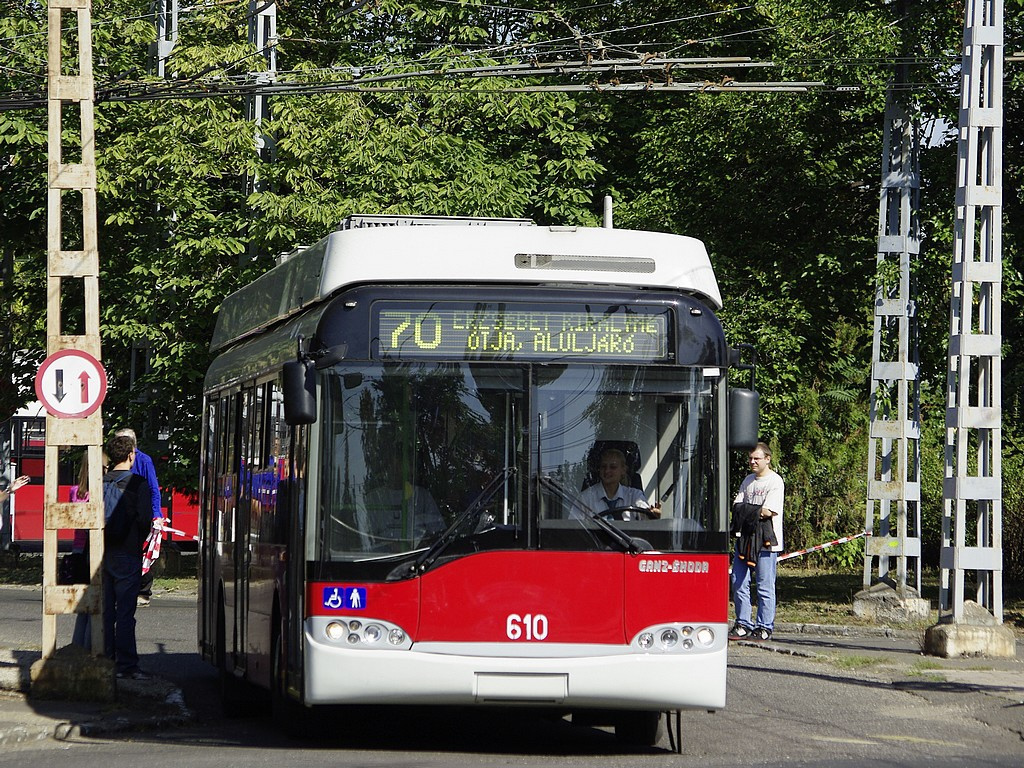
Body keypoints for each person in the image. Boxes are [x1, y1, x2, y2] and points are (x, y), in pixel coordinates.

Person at [102, 434, 154, 680]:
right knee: (125, 612)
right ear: (131, 455)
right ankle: (127, 665)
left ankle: (105, 659)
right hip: (127, 550)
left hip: (102, 552)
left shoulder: (99, 481)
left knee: (105, 610)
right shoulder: (138, 484)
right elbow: (145, 520)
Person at [729, 441, 785, 642]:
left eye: (757, 458)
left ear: (767, 459)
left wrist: (747, 510)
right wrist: (753, 510)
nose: (752, 462)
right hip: (745, 539)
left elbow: (768, 512)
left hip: (766, 542)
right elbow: (736, 507)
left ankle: (764, 626)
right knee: (738, 580)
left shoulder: (775, 482)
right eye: (750, 458)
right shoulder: (748, 481)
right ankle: (743, 623)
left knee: (764, 585)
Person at [114, 428, 163, 606]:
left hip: (140, 512)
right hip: (120, 512)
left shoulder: (144, 460)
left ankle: (143, 591)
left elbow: (153, 488)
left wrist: (156, 514)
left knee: (144, 552)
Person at [577, 448, 660, 520]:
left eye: (613, 467)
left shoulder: (634, 496)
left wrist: (652, 515)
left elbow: (644, 514)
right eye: (603, 466)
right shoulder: (585, 498)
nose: (607, 471)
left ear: (623, 470)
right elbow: (574, 530)